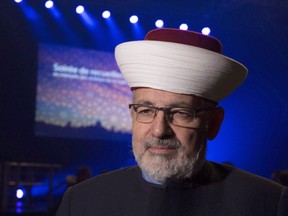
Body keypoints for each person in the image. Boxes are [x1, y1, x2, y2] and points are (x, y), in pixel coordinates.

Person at [56, 28, 288, 216]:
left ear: (213, 123)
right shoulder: (81, 202)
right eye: (146, 111)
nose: (159, 130)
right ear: (132, 117)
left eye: (181, 113)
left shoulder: (266, 202)